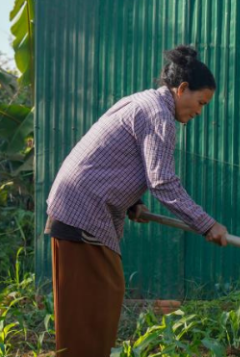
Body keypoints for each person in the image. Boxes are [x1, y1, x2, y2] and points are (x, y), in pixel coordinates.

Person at [44, 45, 229, 356]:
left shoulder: (143, 102)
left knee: (90, 309)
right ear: (182, 89)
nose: (199, 112)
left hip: (77, 208)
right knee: (94, 310)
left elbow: (114, 157)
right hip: (83, 212)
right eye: (200, 102)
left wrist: (132, 204)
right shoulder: (161, 116)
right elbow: (162, 182)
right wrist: (206, 224)